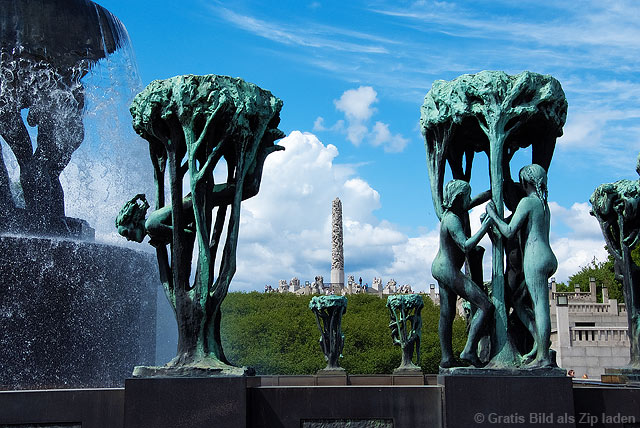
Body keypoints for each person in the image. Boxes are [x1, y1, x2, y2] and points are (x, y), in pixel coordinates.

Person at [486, 164, 558, 367]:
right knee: (519, 302)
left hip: (535, 257)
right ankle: (538, 344)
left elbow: (509, 231)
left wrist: (492, 214)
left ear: (526, 182)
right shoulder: (544, 205)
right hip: (547, 255)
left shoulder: (527, 202)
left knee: (540, 306)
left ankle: (543, 357)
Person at [432, 179, 494, 368]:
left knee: (447, 314)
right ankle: (468, 350)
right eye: (466, 196)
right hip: (448, 270)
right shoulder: (453, 220)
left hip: (441, 268)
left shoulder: (450, 213)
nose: (469, 199)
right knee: (486, 306)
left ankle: (446, 357)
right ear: (459, 198)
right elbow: (465, 246)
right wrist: (486, 226)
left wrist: (493, 191)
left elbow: (473, 200)